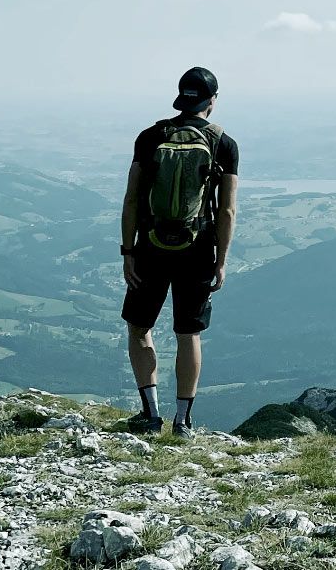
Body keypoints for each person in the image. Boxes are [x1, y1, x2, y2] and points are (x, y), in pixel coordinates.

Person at [120, 67, 239, 439]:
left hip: (151, 246)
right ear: (212, 100)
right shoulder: (224, 143)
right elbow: (227, 209)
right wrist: (221, 259)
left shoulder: (151, 136)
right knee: (189, 333)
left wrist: (128, 251)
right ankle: (183, 420)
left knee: (140, 328)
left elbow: (133, 198)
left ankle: (150, 414)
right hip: (198, 247)